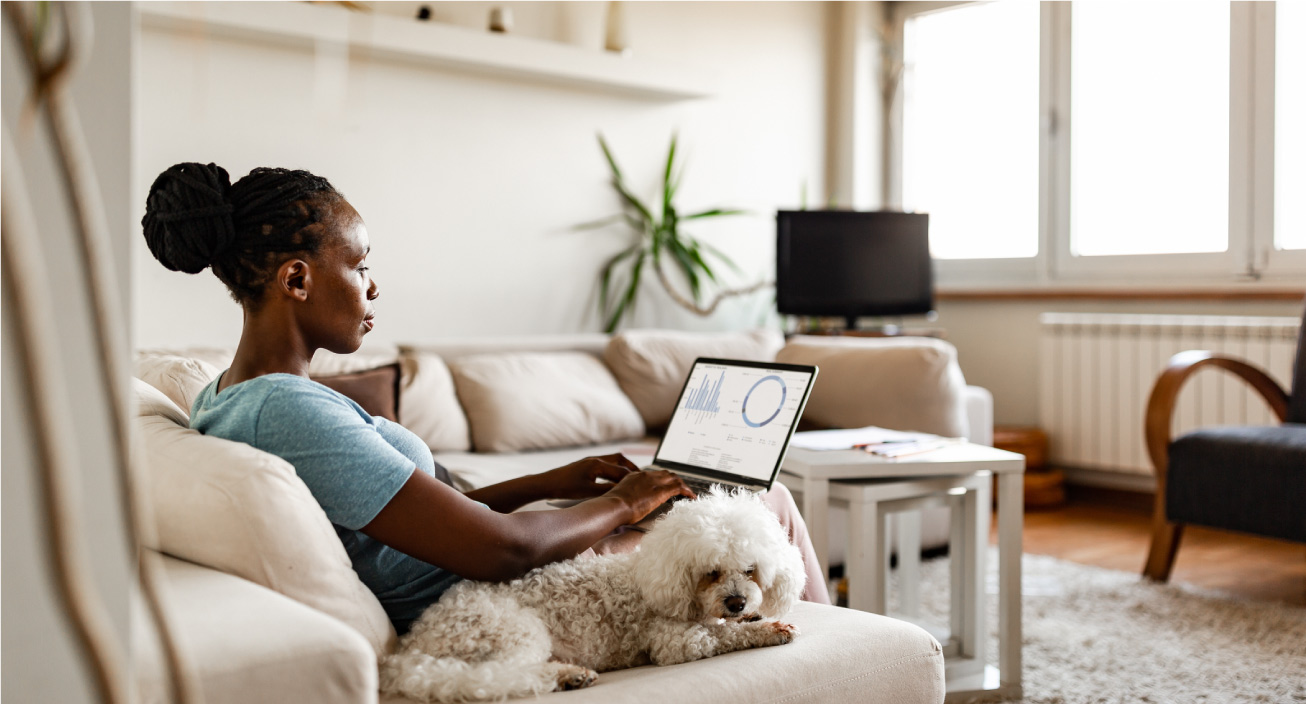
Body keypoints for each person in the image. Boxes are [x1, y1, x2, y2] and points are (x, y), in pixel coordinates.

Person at [142, 163, 830, 634]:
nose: (372, 287)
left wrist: (551, 481)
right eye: (359, 265)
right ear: (297, 279)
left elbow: (419, 521)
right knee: (761, 501)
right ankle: (839, 658)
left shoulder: (225, 397)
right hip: (494, 595)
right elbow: (497, 552)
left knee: (714, 498)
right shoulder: (286, 411)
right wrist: (626, 502)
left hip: (474, 570)